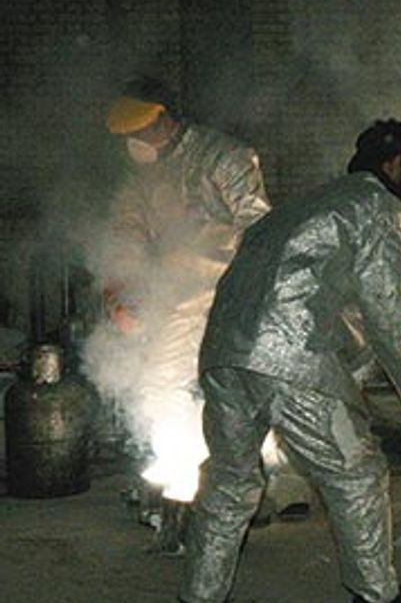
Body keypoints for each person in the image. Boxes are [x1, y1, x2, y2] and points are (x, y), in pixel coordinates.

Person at [180, 119, 401, 603]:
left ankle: (200, 597)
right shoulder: (378, 206)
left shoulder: (310, 206)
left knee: (229, 483)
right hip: (288, 356)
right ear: (396, 165)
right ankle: (376, 596)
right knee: (357, 474)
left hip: (223, 354)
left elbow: (308, 291)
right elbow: (390, 311)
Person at [93, 76, 277, 523]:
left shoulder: (227, 157)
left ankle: (248, 491)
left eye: (139, 132)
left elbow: (261, 230)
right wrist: (119, 288)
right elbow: (125, 229)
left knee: (236, 395)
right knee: (160, 385)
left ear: (164, 118)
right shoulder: (143, 170)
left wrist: (259, 299)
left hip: (231, 295)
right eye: (128, 137)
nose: (134, 142)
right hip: (174, 298)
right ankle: (177, 482)